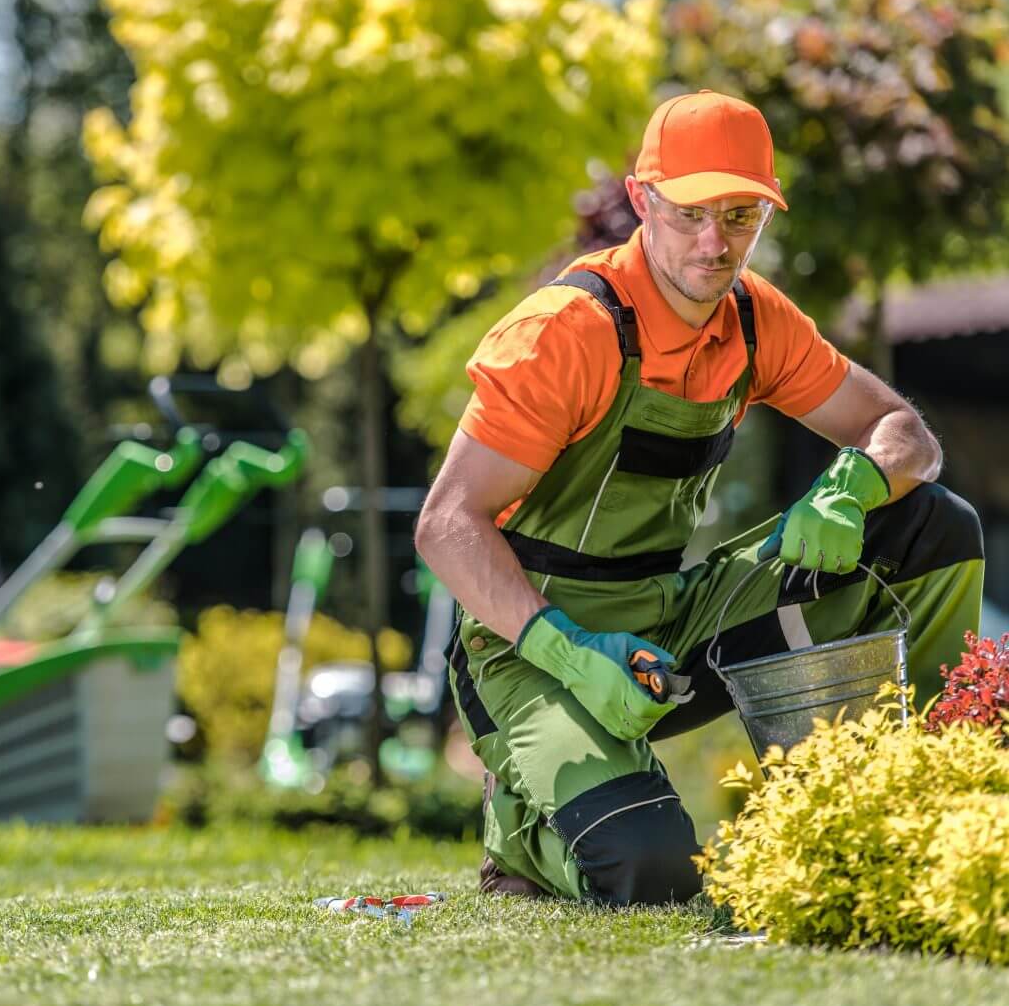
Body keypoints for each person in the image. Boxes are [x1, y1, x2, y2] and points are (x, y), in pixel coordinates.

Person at [414, 90, 985, 906]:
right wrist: (569, 650)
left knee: (932, 527)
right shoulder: (564, 332)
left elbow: (906, 434)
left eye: (741, 214)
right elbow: (445, 526)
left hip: (666, 621)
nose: (716, 243)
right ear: (643, 201)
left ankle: (914, 799)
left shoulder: (757, 322)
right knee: (651, 871)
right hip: (525, 645)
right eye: (690, 214)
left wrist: (852, 487)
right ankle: (522, 834)